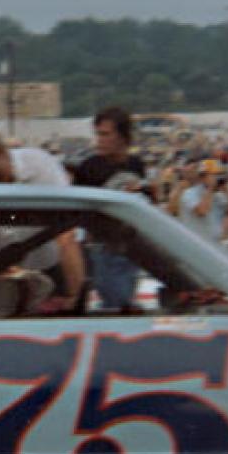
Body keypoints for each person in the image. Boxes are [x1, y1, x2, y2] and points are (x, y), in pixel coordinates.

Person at [0, 127, 86, 312]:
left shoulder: (39, 165)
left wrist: (75, 297)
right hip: (1, 276)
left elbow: (66, 234)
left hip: (56, 268)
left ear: (2, 153)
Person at [73, 106, 146, 311]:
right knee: (116, 303)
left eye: (105, 134)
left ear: (122, 136)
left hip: (131, 245)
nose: (100, 140)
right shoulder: (89, 167)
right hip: (102, 246)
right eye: (98, 134)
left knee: (124, 303)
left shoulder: (136, 165)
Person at [176, 160, 228, 242]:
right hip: (194, 242)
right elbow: (202, 211)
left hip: (214, 242)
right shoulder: (189, 194)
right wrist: (210, 188)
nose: (218, 178)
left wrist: (227, 191)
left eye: (220, 175)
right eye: (215, 175)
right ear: (202, 177)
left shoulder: (219, 195)